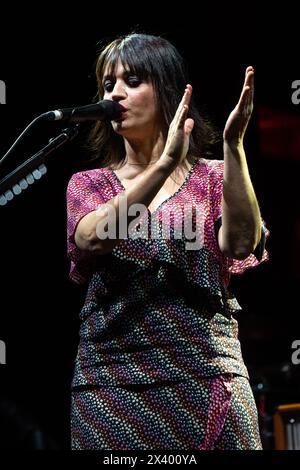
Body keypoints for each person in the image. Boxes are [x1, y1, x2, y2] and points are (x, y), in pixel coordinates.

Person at [66, 33, 268, 450]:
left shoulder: (213, 178)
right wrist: (163, 166)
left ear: (170, 93)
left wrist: (234, 146)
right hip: (111, 385)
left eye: (133, 80)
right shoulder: (89, 184)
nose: (115, 93)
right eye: (108, 84)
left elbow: (241, 243)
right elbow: (92, 238)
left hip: (208, 377)